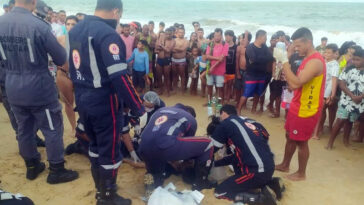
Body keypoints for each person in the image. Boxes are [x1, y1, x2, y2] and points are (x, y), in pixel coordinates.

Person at [68, 0, 145, 204]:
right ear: (115, 11)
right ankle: (108, 197)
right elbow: (119, 77)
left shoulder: (75, 30)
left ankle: (100, 191)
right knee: (110, 151)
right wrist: (138, 107)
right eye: (119, 16)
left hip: (82, 97)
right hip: (103, 100)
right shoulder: (108, 34)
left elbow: (73, 66)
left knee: (94, 145)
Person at [0, 0, 79, 183]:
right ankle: (56, 169)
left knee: (24, 128)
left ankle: (32, 165)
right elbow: (60, 57)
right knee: (52, 128)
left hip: (12, 85)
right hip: (38, 87)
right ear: (34, 2)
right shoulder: (39, 26)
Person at [275, 27, 326, 181]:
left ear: (308, 42)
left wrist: (284, 61)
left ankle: (301, 173)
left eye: (298, 46)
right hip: (297, 103)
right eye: (294, 46)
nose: (296, 49)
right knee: (289, 135)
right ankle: (285, 164)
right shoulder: (306, 58)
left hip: (307, 108)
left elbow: (296, 84)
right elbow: (295, 83)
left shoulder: (316, 61)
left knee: (301, 141)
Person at [138, 104, 216, 196]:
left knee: (159, 168)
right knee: (208, 144)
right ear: (190, 113)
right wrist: (184, 163)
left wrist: (173, 162)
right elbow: (188, 151)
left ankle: (153, 176)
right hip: (166, 146)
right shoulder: (190, 118)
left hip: (143, 147)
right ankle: (201, 182)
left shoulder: (160, 111)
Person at [208, 105, 278, 203]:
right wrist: (215, 163)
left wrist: (205, 163)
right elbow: (235, 157)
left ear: (223, 113)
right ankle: (271, 183)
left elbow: (210, 150)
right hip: (268, 167)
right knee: (241, 170)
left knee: (220, 192)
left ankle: (259, 199)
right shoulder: (246, 122)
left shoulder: (225, 124)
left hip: (255, 172)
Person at [326, 46, 364, 149]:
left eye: (358, 60)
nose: (355, 62)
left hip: (360, 102)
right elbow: (341, 83)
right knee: (340, 121)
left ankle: (346, 141)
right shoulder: (349, 69)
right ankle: (330, 142)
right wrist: (352, 96)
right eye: (354, 59)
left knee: (350, 122)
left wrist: (360, 97)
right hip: (346, 101)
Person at [236, 30, 273, 114]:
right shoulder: (250, 47)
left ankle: (254, 109)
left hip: (262, 74)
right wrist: (263, 58)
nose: (266, 39)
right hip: (251, 75)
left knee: (258, 93)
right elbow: (253, 58)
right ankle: (238, 109)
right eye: (265, 37)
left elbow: (270, 57)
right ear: (260, 37)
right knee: (246, 93)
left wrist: (258, 59)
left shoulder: (264, 47)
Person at [56, 15, 79, 135]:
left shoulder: (81, 40)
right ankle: (74, 127)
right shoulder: (60, 39)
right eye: (68, 24)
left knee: (81, 102)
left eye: (73, 24)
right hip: (63, 74)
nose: (70, 26)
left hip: (79, 74)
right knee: (69, 103)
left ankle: (82, 126)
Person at [312, 44, 340, 140]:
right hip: (318, 89)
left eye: (329, 52)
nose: (326, 54)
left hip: (326, 91)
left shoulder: (335, 65)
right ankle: (318, 129)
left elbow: (334, 80)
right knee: (320, 111)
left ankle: (317, 133)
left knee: (320, 111)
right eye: (325, 52)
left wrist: (332, 95)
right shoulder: (324, 61)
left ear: (334, 54)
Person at [206, 28, 229, 103]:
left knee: (220, 88)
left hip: (220, 71)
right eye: (215, 35)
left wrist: (212, 67)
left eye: (218, 35)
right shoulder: (210, 44)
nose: (216, 37)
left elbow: (222, 59)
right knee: (209, 87)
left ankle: (220, 103)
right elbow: (207, 56)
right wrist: (217, 58)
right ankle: (209, 102)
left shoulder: (225, 44)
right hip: (210, 69)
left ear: (221, 36)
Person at [155, 28, 175, 96]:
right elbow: (156, 49)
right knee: (159, 76)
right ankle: (160, 90)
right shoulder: (160, 39)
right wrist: (163, 47)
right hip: (159, 59)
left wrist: (161, 46)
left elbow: (168, 51)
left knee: (167, 76)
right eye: (167, 34)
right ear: (165, 34)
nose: (168, 35)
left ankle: (168, 91)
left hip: (167, 59)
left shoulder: (173, 41)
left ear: (172, 34)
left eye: (169, 34)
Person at [234, 31, 252, 103]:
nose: (241, 40)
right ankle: (238, 101)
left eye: (244, 39)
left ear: (248, 40)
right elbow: (237, 60)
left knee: (245, 88)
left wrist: (247, 35)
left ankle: (243, 103)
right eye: (241, 39)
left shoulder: (251, 47)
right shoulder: (239, 48)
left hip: (248, 72)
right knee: (238, 88)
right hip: (240, 70)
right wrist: (237, 72)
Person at [172, 27, 189, 93]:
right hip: (174, 60)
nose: (181, 34)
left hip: (181, 60)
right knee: (174, 75)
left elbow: (183, 49)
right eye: (180, 32)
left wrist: (176, 49)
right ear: (177, 33)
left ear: (184, 33)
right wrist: (179, 49)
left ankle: (182, 89)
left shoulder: (186, 41)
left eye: (182, 32)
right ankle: (175, 89)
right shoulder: (174, 40)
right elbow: (171, 49)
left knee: (182, 76)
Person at [224, 30, 237, 102]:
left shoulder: (236, 47)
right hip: (223, 70)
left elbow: (237, 60)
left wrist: (236, 71)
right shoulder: (223, 45)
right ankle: (222, 100)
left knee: (229, 86)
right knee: (222, 86)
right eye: (225, 36)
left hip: (232, 70)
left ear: (232, 37)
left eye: (228, 36)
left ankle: (227, 100)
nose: (226, 37)